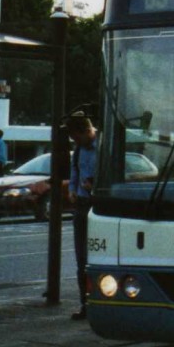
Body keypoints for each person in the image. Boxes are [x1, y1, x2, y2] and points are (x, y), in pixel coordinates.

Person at [66, 113, 97, 321]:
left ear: (87, 131)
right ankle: (85, 304)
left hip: (99, 204)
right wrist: (72, 189)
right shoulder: (78, 150)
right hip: (82, 204)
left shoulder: (105, 146)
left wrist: (95, 184)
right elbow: (75, 171)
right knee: (82, 258)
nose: (75, 141)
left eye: (77, 137)